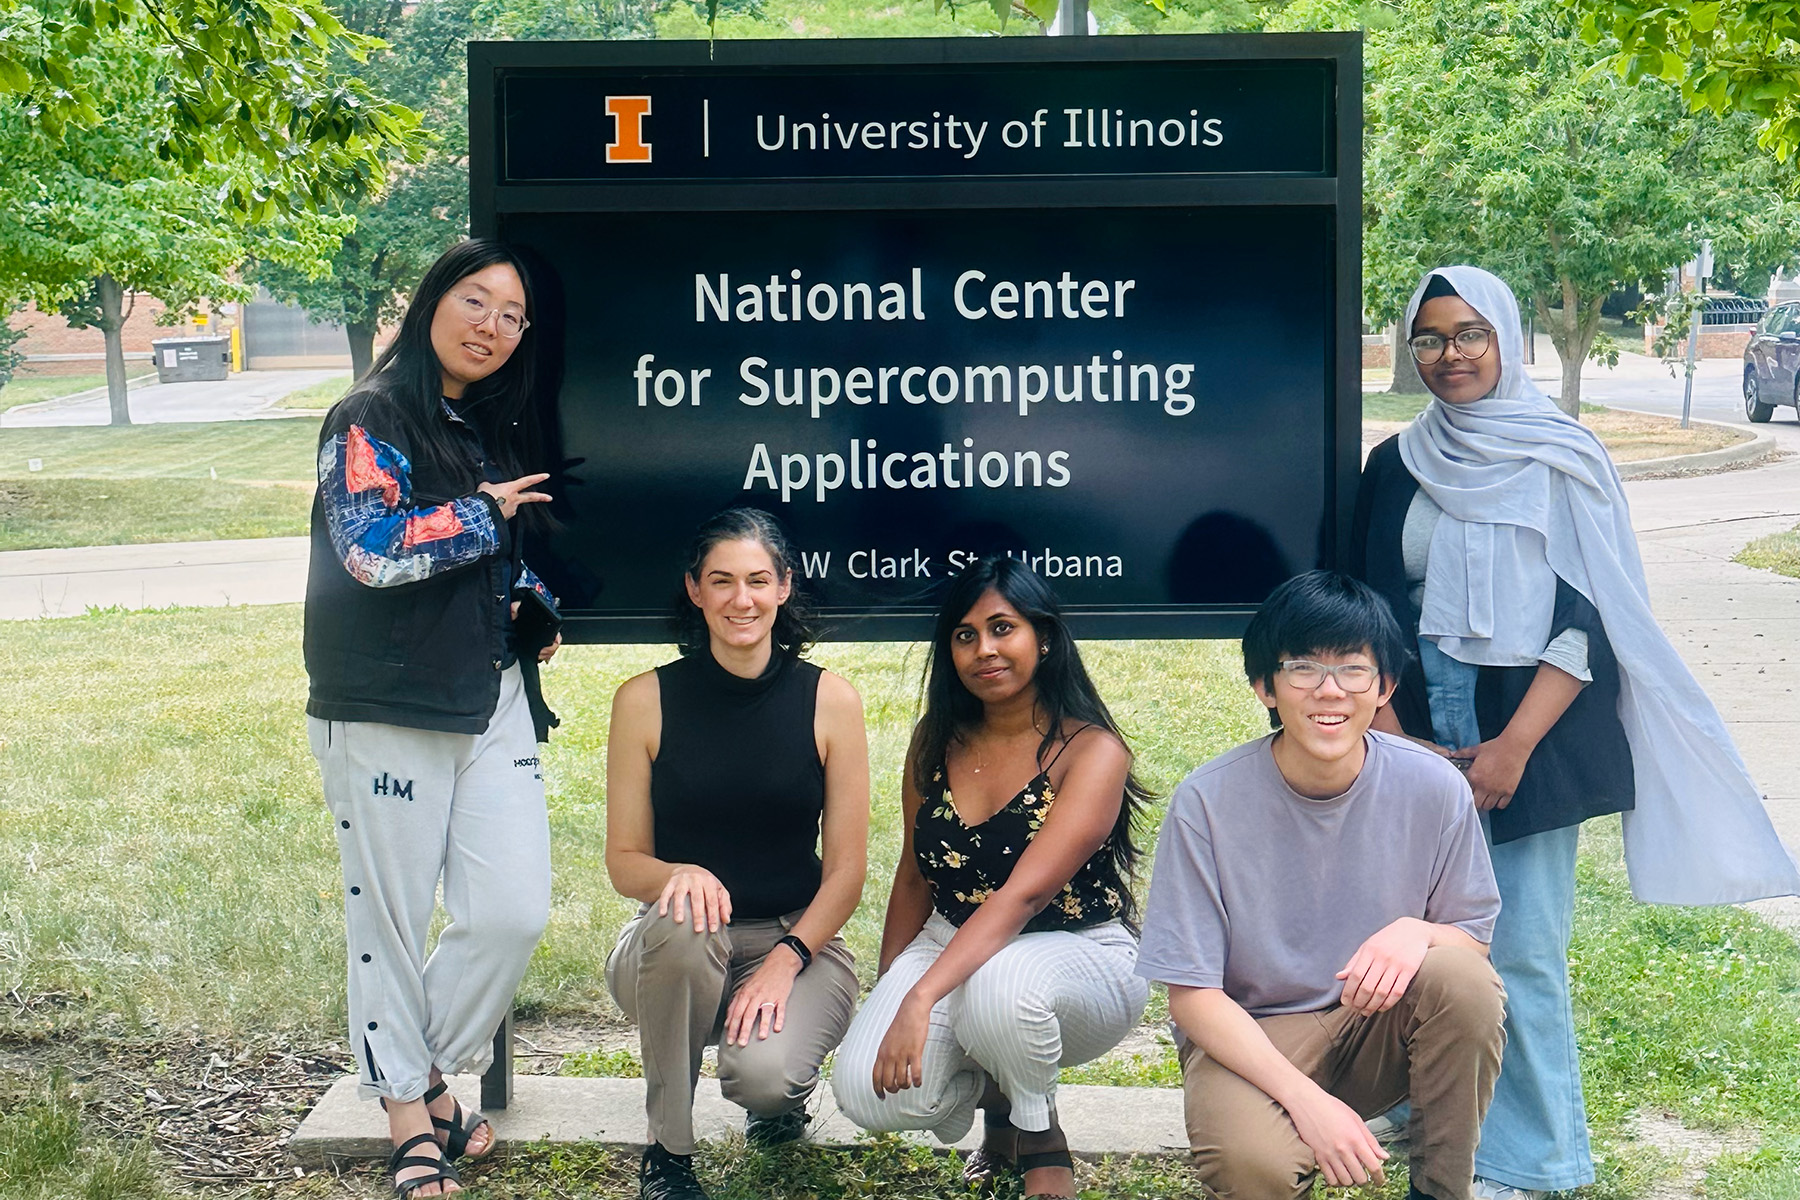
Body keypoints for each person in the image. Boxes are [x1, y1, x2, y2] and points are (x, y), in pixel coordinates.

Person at [1350, 264, 1800, 1199]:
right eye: (1428, 338)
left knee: (1514, 945)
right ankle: (1413, 1103)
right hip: (1411, 719)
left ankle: (1533, 1158)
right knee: (1401, 927)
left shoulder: (1563, 455)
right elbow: (1369, 608)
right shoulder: (1395, 463)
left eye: (1470, 333)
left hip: (1535, 726)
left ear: (1508, 338)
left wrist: (1512, 745)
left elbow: (1590, 611)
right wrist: (1391, 737)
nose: (1449, 355)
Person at [303, 239, 565, 1198]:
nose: (492, 327)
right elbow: (370, 549)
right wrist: (488, 516)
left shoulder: (479, 427)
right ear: (430, 304)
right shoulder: (369, 415)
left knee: (512, 910)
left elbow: (483, 551)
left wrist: (531, 600)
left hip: (489, 698)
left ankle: (421, 1074)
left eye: (512, 316)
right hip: (387, 706)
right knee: (390, 919)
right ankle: (411, 1122)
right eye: (476, 301)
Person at [1137, 570, 1507, 1200]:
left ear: (1384, 685)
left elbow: (1471, 943)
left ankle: (1443, 1191)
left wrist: (1417, 932)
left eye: (1353, 670)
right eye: (1302, 668)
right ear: (1265, 687)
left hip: (1375, 1023)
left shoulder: (1433, 787)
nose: (1329, 691)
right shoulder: (1207, 801)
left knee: (1462, 982)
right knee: (1251, 1166)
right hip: (1253, 1034)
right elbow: (1192, 995)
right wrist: (1311, 1106)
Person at [832, 555, 1150, 1200]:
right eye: (965, 635)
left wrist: (922, 998)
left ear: (1045, 637)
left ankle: (1036, 1132)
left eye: (1003, 628)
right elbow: (916, 876)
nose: (985, 650)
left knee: (1004, 986)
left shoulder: (1091, 750)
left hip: (1082, 950)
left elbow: (1023, 896)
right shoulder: (934, 740)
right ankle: (996, 1082)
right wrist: (894, 983)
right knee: (867, 1094)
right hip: (953, 938)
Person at [603, 507, 868, 1200]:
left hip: (795, 939)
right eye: (721, 581)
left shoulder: (831, 701)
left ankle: (774, 1110)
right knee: (687, 918)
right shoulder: (645, 701)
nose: (740, 599)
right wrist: (677, 873)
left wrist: (787, 960)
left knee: (766, 1079)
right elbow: (625, 861)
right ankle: (668, 1151)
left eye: (757, 580)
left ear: (784, 586)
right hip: (672, 948)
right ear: (695, 591)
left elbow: (846, 873)